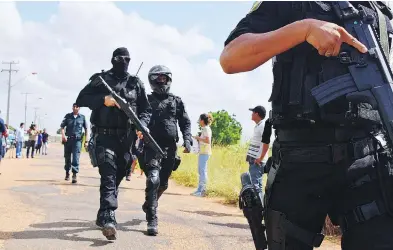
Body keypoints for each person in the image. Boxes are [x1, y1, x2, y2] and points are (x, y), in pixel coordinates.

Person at [221, 1, 393, 250]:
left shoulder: (379, 8)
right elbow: (231, 58)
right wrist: (303, 29)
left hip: (371, 161)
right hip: (300, 160)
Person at [75, 47, 151, 240]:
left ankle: (103, 212)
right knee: (108, 173)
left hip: (127, 138)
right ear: (112, 59)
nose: (123, 61)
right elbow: (81, 98)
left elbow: (145, 109)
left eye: (127, 59)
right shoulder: (101, 80)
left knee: (119, 174)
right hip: (104, 135)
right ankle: (109, 216)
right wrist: (103, 100)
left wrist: (142, 126)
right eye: (120, 58)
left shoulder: (136, 83)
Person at [140, 65, 192, 236]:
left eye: (164, 78)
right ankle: (152, 219)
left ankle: (149, 203)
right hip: (152, 145)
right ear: (152, 80)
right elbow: (143, 117)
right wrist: (141, 128)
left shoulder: (176, 101)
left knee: (163, 183)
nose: (161, 81)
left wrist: (187, 139)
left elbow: (185, 122)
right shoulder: (146, 100)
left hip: (170, 148)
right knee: (153, 179)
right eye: (158, 78)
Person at [60, 103, 88, 184]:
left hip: (77, 141)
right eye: (74, 106)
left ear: (79, 108)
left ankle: (74, 175)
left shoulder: (82, 117)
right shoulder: (68, 116)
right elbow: (62, 127)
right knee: (67, 157)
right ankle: (67, 173)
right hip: (68, 140)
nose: (75, 108)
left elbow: (86, 129)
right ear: (72, 107)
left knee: (76, 158)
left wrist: (86, 141)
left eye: (77, 107)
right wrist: (63, 136)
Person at [245, 106, 269, 200]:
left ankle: (260, 209)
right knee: (255, 184)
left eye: (253, 112)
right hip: (254, 159)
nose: (251, 114)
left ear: (257, 114)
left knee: (256, 186)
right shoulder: (258, 126)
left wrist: (260, 158)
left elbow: (266, 143)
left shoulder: (262, 126)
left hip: (257, 160)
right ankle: (260, 208)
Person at [191, 113, 213, 197]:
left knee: (203, 171)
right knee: (201, 171)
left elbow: (208, 141)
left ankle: (202, 191)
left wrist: (198, 138)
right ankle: (199, 190)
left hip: (205, 152)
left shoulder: (206, 129)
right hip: (203, 152)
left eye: (200, 119)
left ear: (203, 120)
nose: (199, 121)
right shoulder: (205, 128)